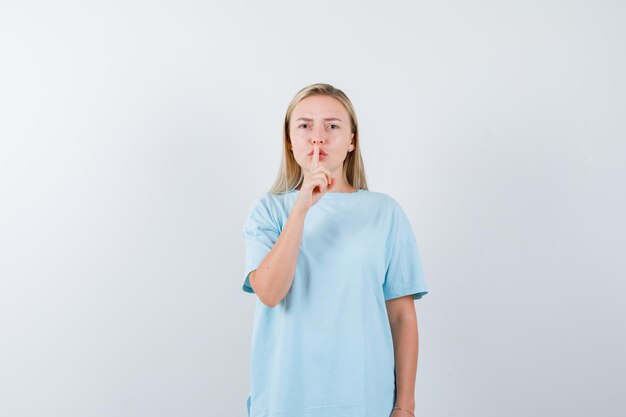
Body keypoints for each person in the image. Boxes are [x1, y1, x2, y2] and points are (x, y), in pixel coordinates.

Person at [241, 83, 429, 417]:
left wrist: (405, 406)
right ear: (289, 139)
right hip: (285, 401)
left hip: (365, 400)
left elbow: (401, 316)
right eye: (304, 125)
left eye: (332, 126)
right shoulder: (268, 211)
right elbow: (269, 293)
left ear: (352, 140)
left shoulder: (385, 213)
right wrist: (301, 208)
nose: (318, 137)